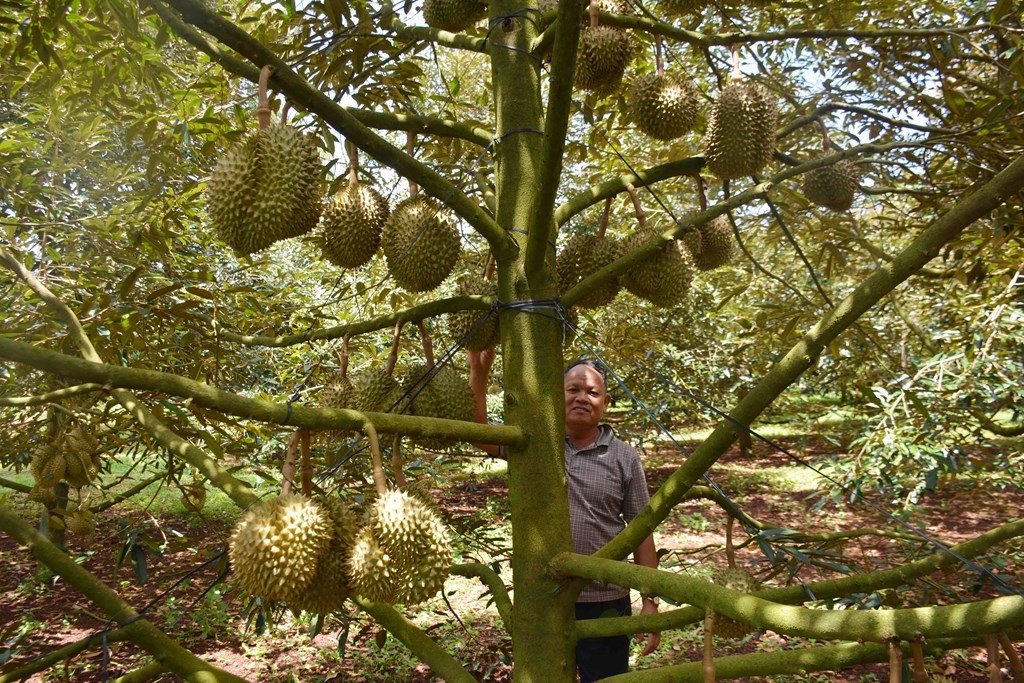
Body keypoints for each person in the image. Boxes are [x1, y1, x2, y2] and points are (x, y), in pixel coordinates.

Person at [468, 349, 661, 682]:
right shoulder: (534, 443)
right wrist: (479, 373)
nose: (582, 398)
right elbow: (477, 433)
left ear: (606, 402)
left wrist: (650, 599)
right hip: (543, 595)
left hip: (605, 598)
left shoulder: (624, 457)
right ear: (558, 397)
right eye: (573, 389)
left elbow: (641, 530)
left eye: (592, 392)